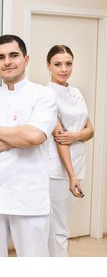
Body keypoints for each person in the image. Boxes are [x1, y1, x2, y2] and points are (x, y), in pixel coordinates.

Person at [0, 34, 57, 257]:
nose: (7, 61)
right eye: (1, 57)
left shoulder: (44, 95)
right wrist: (19, 138)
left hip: (29, 199)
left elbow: (35, 137)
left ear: (26, 59)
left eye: (13, 55)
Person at [46, 45, 94, 257]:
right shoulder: (46, 94)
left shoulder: (76, 92)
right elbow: (59, 138)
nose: (63, 69)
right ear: (48, 66)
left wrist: (75, 135)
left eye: (68, 63)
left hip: (77, 163)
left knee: (62, 221)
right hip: (57, 168)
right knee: (58, 226)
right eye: (58, 64)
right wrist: (71, 175)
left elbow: (90, 130)